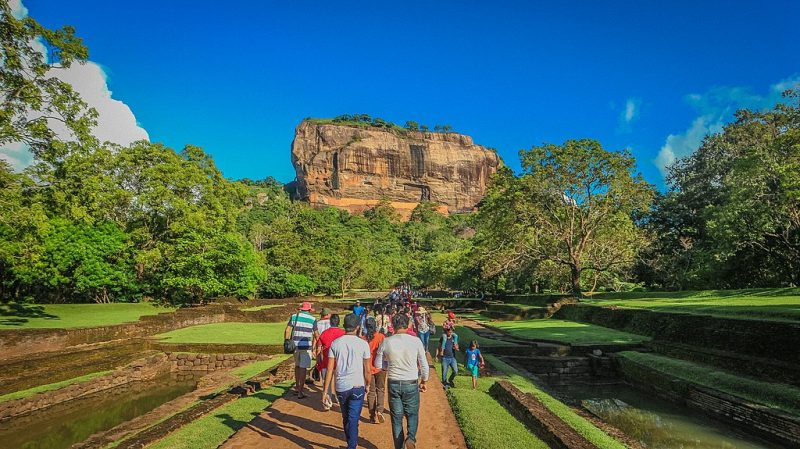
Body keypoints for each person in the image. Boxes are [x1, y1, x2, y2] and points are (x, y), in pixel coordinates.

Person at [373, 313, 429, 449]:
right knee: (412, 413)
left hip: (394, 382)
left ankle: (399, 447)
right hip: (410, 382)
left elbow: (378, 364)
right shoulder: (415, 341)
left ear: (392, 325)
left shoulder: (386, 341)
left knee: (396, 418)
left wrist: (388, 362)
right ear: (408, 324)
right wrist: (424, 381)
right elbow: (424, 365)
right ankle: (411, 438)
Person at [323, 313, 371, 449]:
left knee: (346, 418)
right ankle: (352, 445)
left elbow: (330, 369)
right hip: (358, 385)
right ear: (357, 327)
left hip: (341, 386)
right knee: (353, 418)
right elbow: (367, 370)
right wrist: (367, 385)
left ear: (344, 326)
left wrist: (325, 391)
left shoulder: (336, 343)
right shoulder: (363, 344)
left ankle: (351, 444)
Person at [285, 301, 317, 398]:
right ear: (309, 309)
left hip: (295, 346)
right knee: (303, 368)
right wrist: (314, 347)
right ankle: (300, 391)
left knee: (297, 366)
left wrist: (287, 342)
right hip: (306, 346)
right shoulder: (313, 319)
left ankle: (297, 387)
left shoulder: (294, 316)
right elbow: (316, 335)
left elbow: (287, 330)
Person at [316, 314, 345, 409]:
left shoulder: (324, 333)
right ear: (339, 322)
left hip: (326, 362)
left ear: (330, 322)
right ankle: (339, 400)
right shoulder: (343, 333)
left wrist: (318, 361)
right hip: (339, 362)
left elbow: (318, 349)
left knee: (326, 383)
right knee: (339, 382)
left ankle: (327, 402)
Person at [362, 316, 387, 423]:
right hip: (380, 367)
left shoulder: (363, 339)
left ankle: (372, 415)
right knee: (380, 389)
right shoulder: (381, 336)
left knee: (371, 392)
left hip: (368, 368)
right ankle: (380, 410)